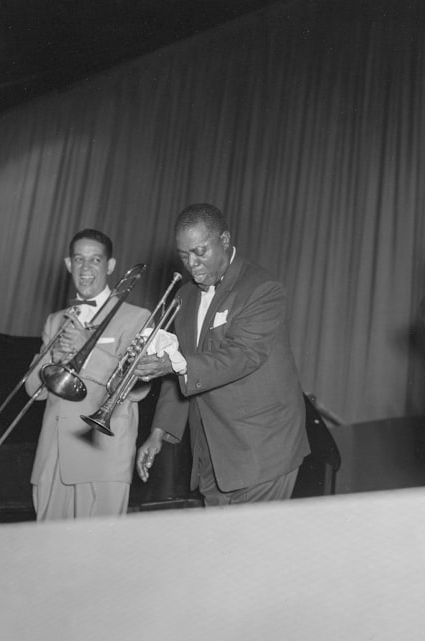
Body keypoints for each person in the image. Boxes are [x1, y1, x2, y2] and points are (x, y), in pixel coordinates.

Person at [132, 203, 310, 506]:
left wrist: (173, 364)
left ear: (225, 240)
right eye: (184, 255)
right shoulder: (184, 296)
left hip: (261, 451)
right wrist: (159, 431)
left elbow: (241, 355)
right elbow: (178, 364)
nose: (192, 264)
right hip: (213, 456)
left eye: (200, 251)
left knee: (251, 550)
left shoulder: (261, 288)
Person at [25, 228, 149, 521]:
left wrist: (87, 350)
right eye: (79, 260)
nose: (85, 268)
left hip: (102, 456)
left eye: (95, 260)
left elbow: (137, 384)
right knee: (50, 560)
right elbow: (33, 390)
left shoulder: (136, 316)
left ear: (110, 266)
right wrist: (48, 362)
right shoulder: (55, 321)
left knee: (96, 561)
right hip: (52, 460)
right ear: (69, 264)